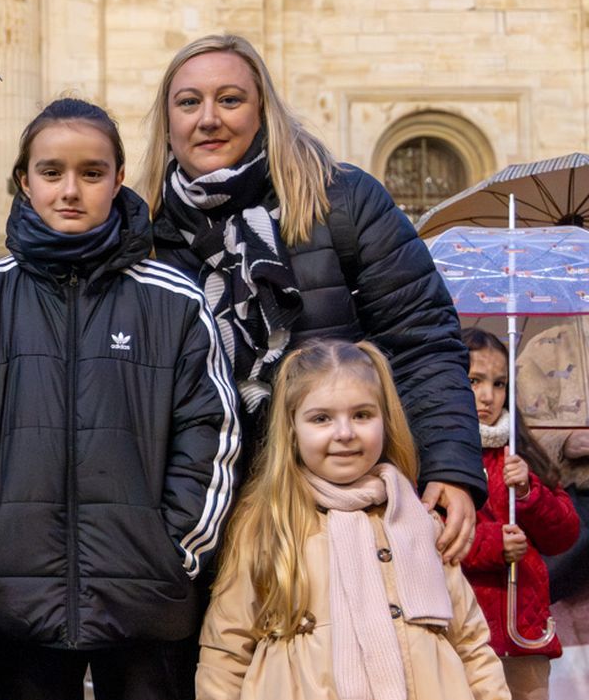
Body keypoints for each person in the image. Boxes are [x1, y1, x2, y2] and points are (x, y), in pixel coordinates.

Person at [0, 99, 239, 700]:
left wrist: (172, 551)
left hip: (146, 595)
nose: (71, 189)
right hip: (22, 595)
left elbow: (213, 431)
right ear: (23, 181)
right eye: (53, 172)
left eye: (91, 172)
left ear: (120, 178)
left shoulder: (172, 298)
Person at [140, 34, 482, 563]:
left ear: (263, 113)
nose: (208, 118)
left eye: (230, 99)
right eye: (189, 102)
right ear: (168, 123)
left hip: (339, 512)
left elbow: (422, 342)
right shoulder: (144, 234)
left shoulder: (340, 199)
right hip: (199, 525)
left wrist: (449, 467)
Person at [193, 339, 539, 700]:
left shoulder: (418, 522)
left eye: (362, 414)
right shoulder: (265, 526)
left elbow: (471, 645)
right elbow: (225, 649)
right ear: (290, 429)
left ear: (386, 420)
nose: (344, 434)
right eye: (321, 419)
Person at [462, 327, 582, 700]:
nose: (486, 396)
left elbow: (564, 535)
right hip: (465, 631)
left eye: (497, 383)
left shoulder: (520, 456)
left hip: (522, 630)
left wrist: (529, 491)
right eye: (472, 380)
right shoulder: (433, 456)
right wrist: (491, 546)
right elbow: (421, 537)